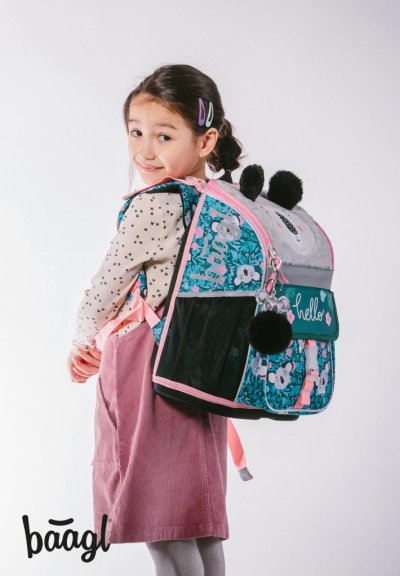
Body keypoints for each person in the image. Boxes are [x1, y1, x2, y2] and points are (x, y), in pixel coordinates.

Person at [66, 63, 244, 576]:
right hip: (201, 366)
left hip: (150, 370)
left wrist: (81, 342)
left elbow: (106, 285)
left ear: (206, 140)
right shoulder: (222, 200)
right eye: (136, 132)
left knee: (160, 523)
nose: (145, 150)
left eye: (164, 136)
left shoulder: (155, 206)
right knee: (197, 519)